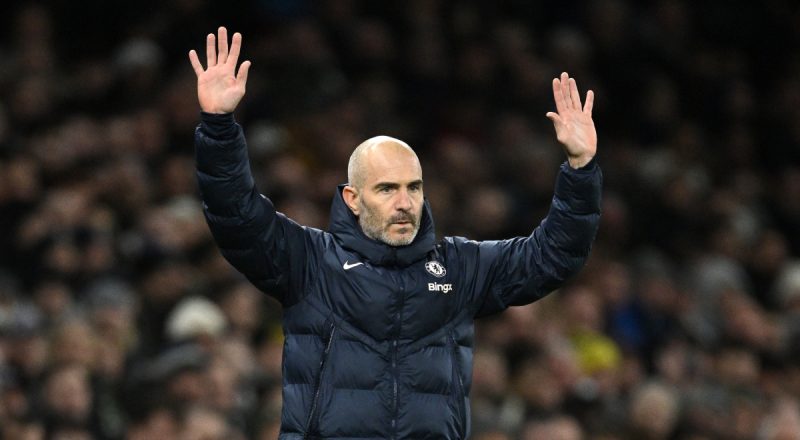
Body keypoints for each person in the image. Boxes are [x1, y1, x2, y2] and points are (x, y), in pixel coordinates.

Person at [189, 27, 601, 440]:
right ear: (352, 198)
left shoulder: (458, 268)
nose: (405, 202)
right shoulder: (310, 261)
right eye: (387, 189)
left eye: (413, 188)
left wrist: (580, 170)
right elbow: (236, 217)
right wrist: (219, 127)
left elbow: (552, 256)